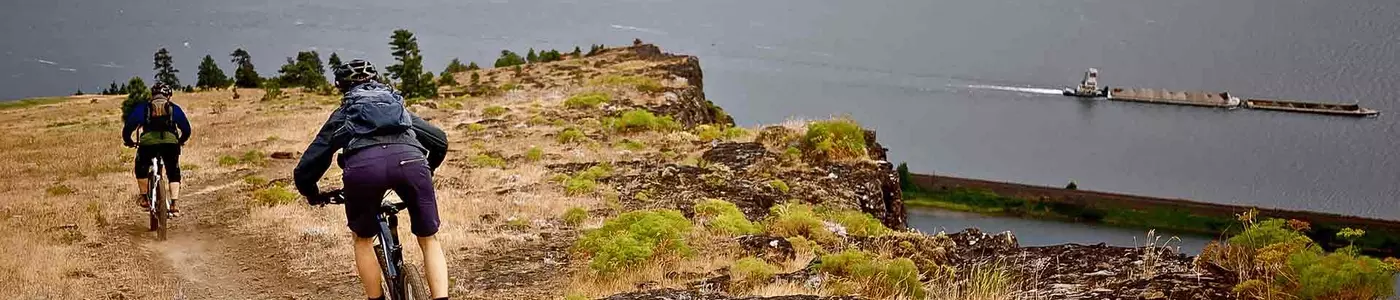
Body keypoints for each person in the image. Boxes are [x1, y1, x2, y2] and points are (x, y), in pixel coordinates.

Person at [293, 59, 451, 300]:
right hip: (411, 163)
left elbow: (312, 160)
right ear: (376, 80)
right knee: (429, 239)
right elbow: (439, 140)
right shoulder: (397, 107)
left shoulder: (345, 112)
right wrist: (428, 169)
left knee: (363, 238)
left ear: (342, 87)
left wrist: (311, 193)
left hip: (364, 169)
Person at [122, 82, 191, 215]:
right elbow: (186, 129)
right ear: (168, 95)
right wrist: (180, 141)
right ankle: (175, 204)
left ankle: (144, 198)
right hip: (170, 144)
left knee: (141, 167)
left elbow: (129, 127)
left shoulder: (143, 108)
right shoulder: (173, 108)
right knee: (173, 171)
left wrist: (129, 141)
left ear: (152, 95)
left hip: (148, 144)